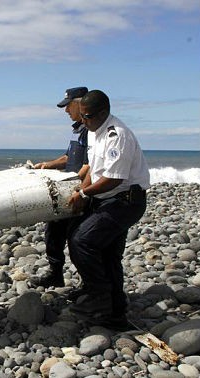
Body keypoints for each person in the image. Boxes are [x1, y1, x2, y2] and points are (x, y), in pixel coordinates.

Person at [67, 90, 149, 328]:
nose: (83, 121)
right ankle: (115, 313)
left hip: (125, 201)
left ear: (104, 113)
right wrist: (82, 192)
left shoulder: (117, 135)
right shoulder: (94, 131)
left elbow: (113, 178)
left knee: (82, 241)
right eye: (81, 116)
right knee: (108, 254)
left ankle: (98, 297)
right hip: (108, 199)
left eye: (88, 116)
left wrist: (83, 194)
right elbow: (94, 168)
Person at [30, 87, 89, 288]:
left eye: (68, 106)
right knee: (53, 231)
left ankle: (87, 283)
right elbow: (68, 158)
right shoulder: (77, 130)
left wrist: (78, 190)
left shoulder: (91, 131)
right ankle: (55, 273)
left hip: (80, 191)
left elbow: (90, 165)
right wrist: (47, 165)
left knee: (77, 239)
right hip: (68, 188)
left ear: (81, 104)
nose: (66, 111)